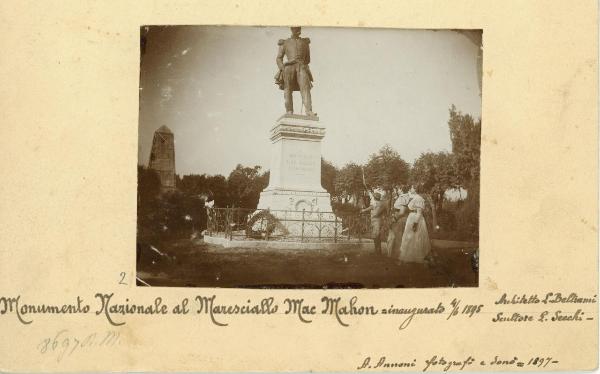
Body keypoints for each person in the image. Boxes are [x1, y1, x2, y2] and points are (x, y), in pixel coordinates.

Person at [275, 26, 316, 116]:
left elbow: (308, 59)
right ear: (292, 30)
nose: (297, 30)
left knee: (305, 88)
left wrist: (303, 65)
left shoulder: (305, 43)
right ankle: (289, 110)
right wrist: (282, 68)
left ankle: (309, 111)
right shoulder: (285, 43)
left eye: (298, 29)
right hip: (288, 68)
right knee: (287, 89)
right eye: (295, 28)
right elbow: (279, 58)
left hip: (301, 67)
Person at [398, 185, 431, 263]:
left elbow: (419, 213)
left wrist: (415, 224)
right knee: (409, 237)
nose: (410, 189)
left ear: (416, 189)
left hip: (416, 218)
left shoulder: (419, 198)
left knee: (416, 237)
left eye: (412, 188)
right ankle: (409, 257)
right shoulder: (413, 197)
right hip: (411, 217)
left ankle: (417, 257)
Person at [386, 190, 410, 259]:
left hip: (400, 219)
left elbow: (402, 212)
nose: (396, 190)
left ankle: (397, 256)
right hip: (400, 218)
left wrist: (395, 218)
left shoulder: (403, 197)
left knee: (398, 237)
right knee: (397, 237)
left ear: (401, 189)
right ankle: (395, 255)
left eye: (398, 188)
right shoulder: (404, 197)